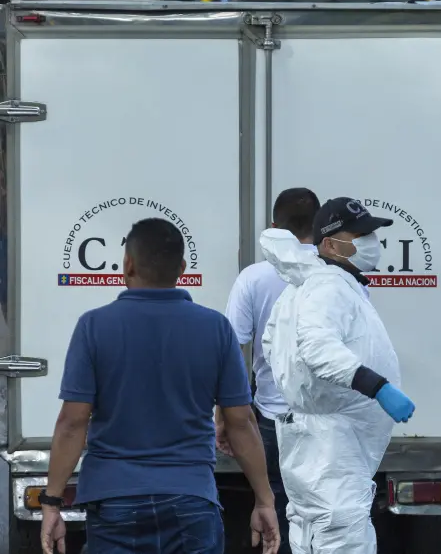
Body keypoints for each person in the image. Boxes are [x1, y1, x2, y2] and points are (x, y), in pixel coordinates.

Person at [41, 218, 280, 554]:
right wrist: (264, 500)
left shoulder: (93, 326)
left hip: (114, 501)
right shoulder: (216, 328)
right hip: (191, 498)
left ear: (127, 264)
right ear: (181, 268)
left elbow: (72, 422)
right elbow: (241, 423)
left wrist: (52, 502)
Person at [260, 197, 416, 554]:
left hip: (320, 439)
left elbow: (273, 346)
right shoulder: (328, 287)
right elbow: (316, 347)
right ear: (329, 244)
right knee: (341, 535)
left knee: (312, 532)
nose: (371, 242)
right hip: (332, 447)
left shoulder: (311, 285)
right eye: (360, 235)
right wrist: (378, 387)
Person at [220, 188, 321, 554]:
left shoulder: (254, 278)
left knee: (273, 506)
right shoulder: (337, 275)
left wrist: (225, 415)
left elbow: (231, 351)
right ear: (319, 226)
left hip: (271, 419)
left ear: (274, 226)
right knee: (324, 512)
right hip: (326, 422)